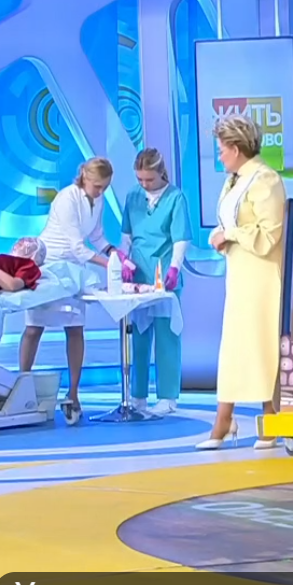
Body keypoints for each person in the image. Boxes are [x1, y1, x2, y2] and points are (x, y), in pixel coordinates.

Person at [21, 157, 133, 424]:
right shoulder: (66, 199)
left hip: (74, 269)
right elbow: (76, 246)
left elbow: (96, 236)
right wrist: (110, 264)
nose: (100, 191)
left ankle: (73, 393)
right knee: (34, 328)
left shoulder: (97, 199)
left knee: (75, 328)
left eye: (105, 187)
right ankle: (21, 385)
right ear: (84, 177)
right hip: (51, 265)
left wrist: (113, 251)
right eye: (97, 186)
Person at [198, 115, 287, 451]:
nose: (219, 157)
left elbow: (270, 233)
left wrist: (230, 234)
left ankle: (269, 418)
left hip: (262, 276)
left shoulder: (265, 179)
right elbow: (230, 223)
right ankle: (225, 417)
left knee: (262, 344)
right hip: (240, 274)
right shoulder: (235, 181)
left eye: (221, 150)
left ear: (236, 149)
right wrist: (221, 236)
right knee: (235, 346)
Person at [120, 148, 192, 415]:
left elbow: (181, 238)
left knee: (166, 336)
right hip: (140, 275)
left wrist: (174, 268)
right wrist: (125, 261)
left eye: (149, 179)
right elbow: (127, 235)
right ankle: (137, 395)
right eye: (140, 179)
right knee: (138, 338)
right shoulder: (133, 196)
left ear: (161, 173)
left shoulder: (175, 198)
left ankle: (168, 397)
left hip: (163, 275)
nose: (144, 184)